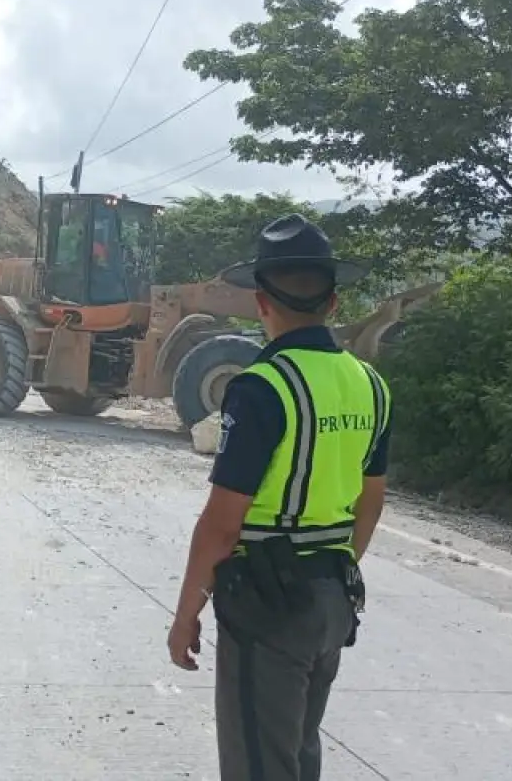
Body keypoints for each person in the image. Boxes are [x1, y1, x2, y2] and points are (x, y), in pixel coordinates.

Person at [167, 213, 393, 781]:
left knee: (259, 766)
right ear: (334, 303)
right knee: (294, 753)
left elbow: (222, 524)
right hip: (330, 598)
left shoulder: (262, 387)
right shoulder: (371, 385)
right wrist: (333, 573)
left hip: (268, 605)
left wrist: (186, 613)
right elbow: (371, 500)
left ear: (261, 303)